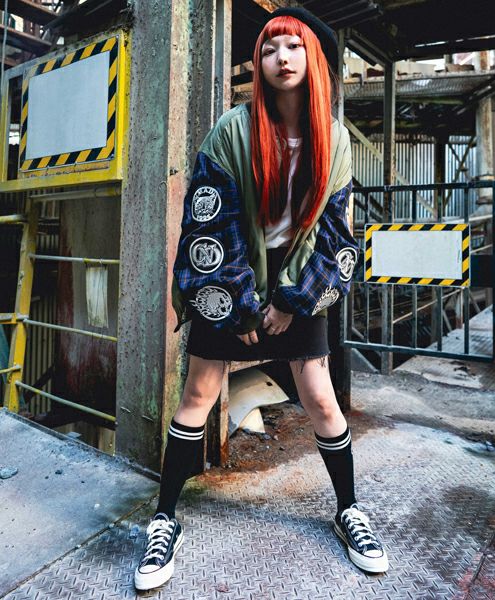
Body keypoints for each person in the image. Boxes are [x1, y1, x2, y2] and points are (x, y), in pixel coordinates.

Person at [134, 7, 388, 592]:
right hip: (233, 281)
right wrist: (242, 301)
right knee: (200, 392)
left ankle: (349, 510)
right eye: (270, 48)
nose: (281, 57)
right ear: (259, 62)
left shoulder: (335, 140)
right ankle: (164, 519)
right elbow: (209, 222)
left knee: (320, 397)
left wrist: (293, 300)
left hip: (297, 284)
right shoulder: (232, 129)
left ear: (313, 59)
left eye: (293, 46)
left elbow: (338, 233)